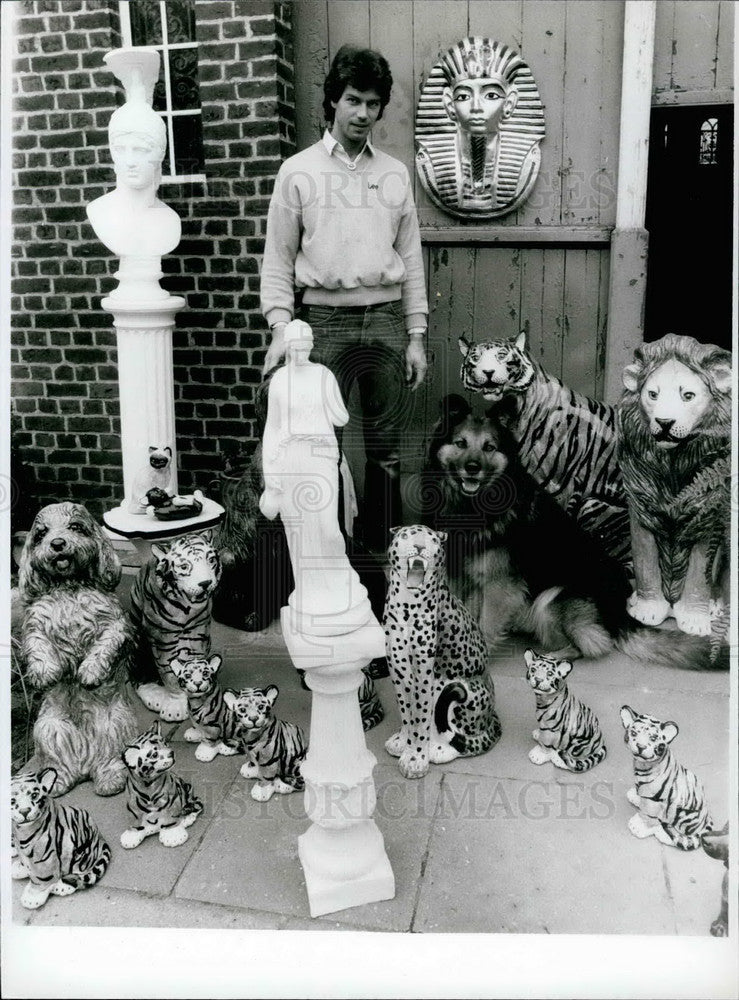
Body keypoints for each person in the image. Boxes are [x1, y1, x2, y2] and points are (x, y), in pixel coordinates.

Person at [260, 45, 428, 553]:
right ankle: (326, 562)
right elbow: (278, 259)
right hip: (320, 327)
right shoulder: (297, 172)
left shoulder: (395, 173)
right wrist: (279, 329)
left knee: (385, 455)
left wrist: (416, 335)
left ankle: (381, 564)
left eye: (373, 104)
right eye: (353, 100)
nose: (363, 114)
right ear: (333, 100)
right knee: (319, 453)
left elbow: (413, 258)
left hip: (384, 324)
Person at [415, 36, 544, 219]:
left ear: (509, 104)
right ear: (449, 105)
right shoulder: (432, 166)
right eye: (463, 97)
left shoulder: (525, 163)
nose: (476, 107)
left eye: (491, 96)